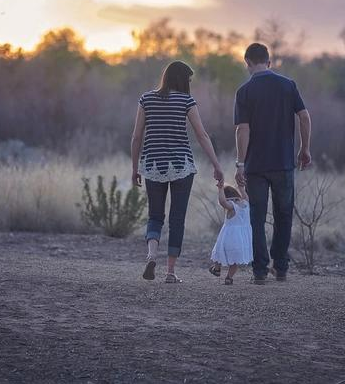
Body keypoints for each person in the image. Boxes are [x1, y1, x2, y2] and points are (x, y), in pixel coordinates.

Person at [131, 60, 224, 283]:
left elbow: (136, 137)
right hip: (181, 165)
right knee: (177, 218)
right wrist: (216, 165)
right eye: (189, 80)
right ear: (182, 80)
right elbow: (202, 135)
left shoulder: (146, 99)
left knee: (155, 215)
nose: (190, 84)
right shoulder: (186, 101)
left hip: (153, 164)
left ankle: (152, 255)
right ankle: (170, 272)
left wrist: (135, 168)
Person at [234, 43, 312, 285]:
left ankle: (259, 271)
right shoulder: (287, 85)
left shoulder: (244, 91)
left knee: (256, 217)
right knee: (284, 215)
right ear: (269, 61)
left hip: (256, 166)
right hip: (283, 162)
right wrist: (304, 148)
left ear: (247, 62)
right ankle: (281, 267)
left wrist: (240, 163)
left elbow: (242, 130)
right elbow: (304, 116)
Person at [209, 183, 253, 285]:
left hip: (229, 237)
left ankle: (217, 268)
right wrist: (241, 187)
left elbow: (222, 202)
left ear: (227, 197)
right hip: (242, 239)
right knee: (235, 260)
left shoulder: (232, 206)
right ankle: (229, 277)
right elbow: (245, 195)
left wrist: (220, 189)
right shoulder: (246, 203)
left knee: (220, 251)